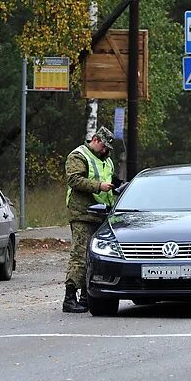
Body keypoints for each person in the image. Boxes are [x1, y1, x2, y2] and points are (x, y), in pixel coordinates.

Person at [63, 126, 123, 313]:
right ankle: (70, 296)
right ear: (95, 140)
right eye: (104, 147)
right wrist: (99, 186)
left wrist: (120, 186)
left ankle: (86, 296)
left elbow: (111, 179)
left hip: (103, 214)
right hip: (83, 213)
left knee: (95, 257)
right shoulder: (78, 156)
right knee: (79, 256)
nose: (106, 151)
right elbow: (74, 180)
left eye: (108, 149)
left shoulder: (107, 160)